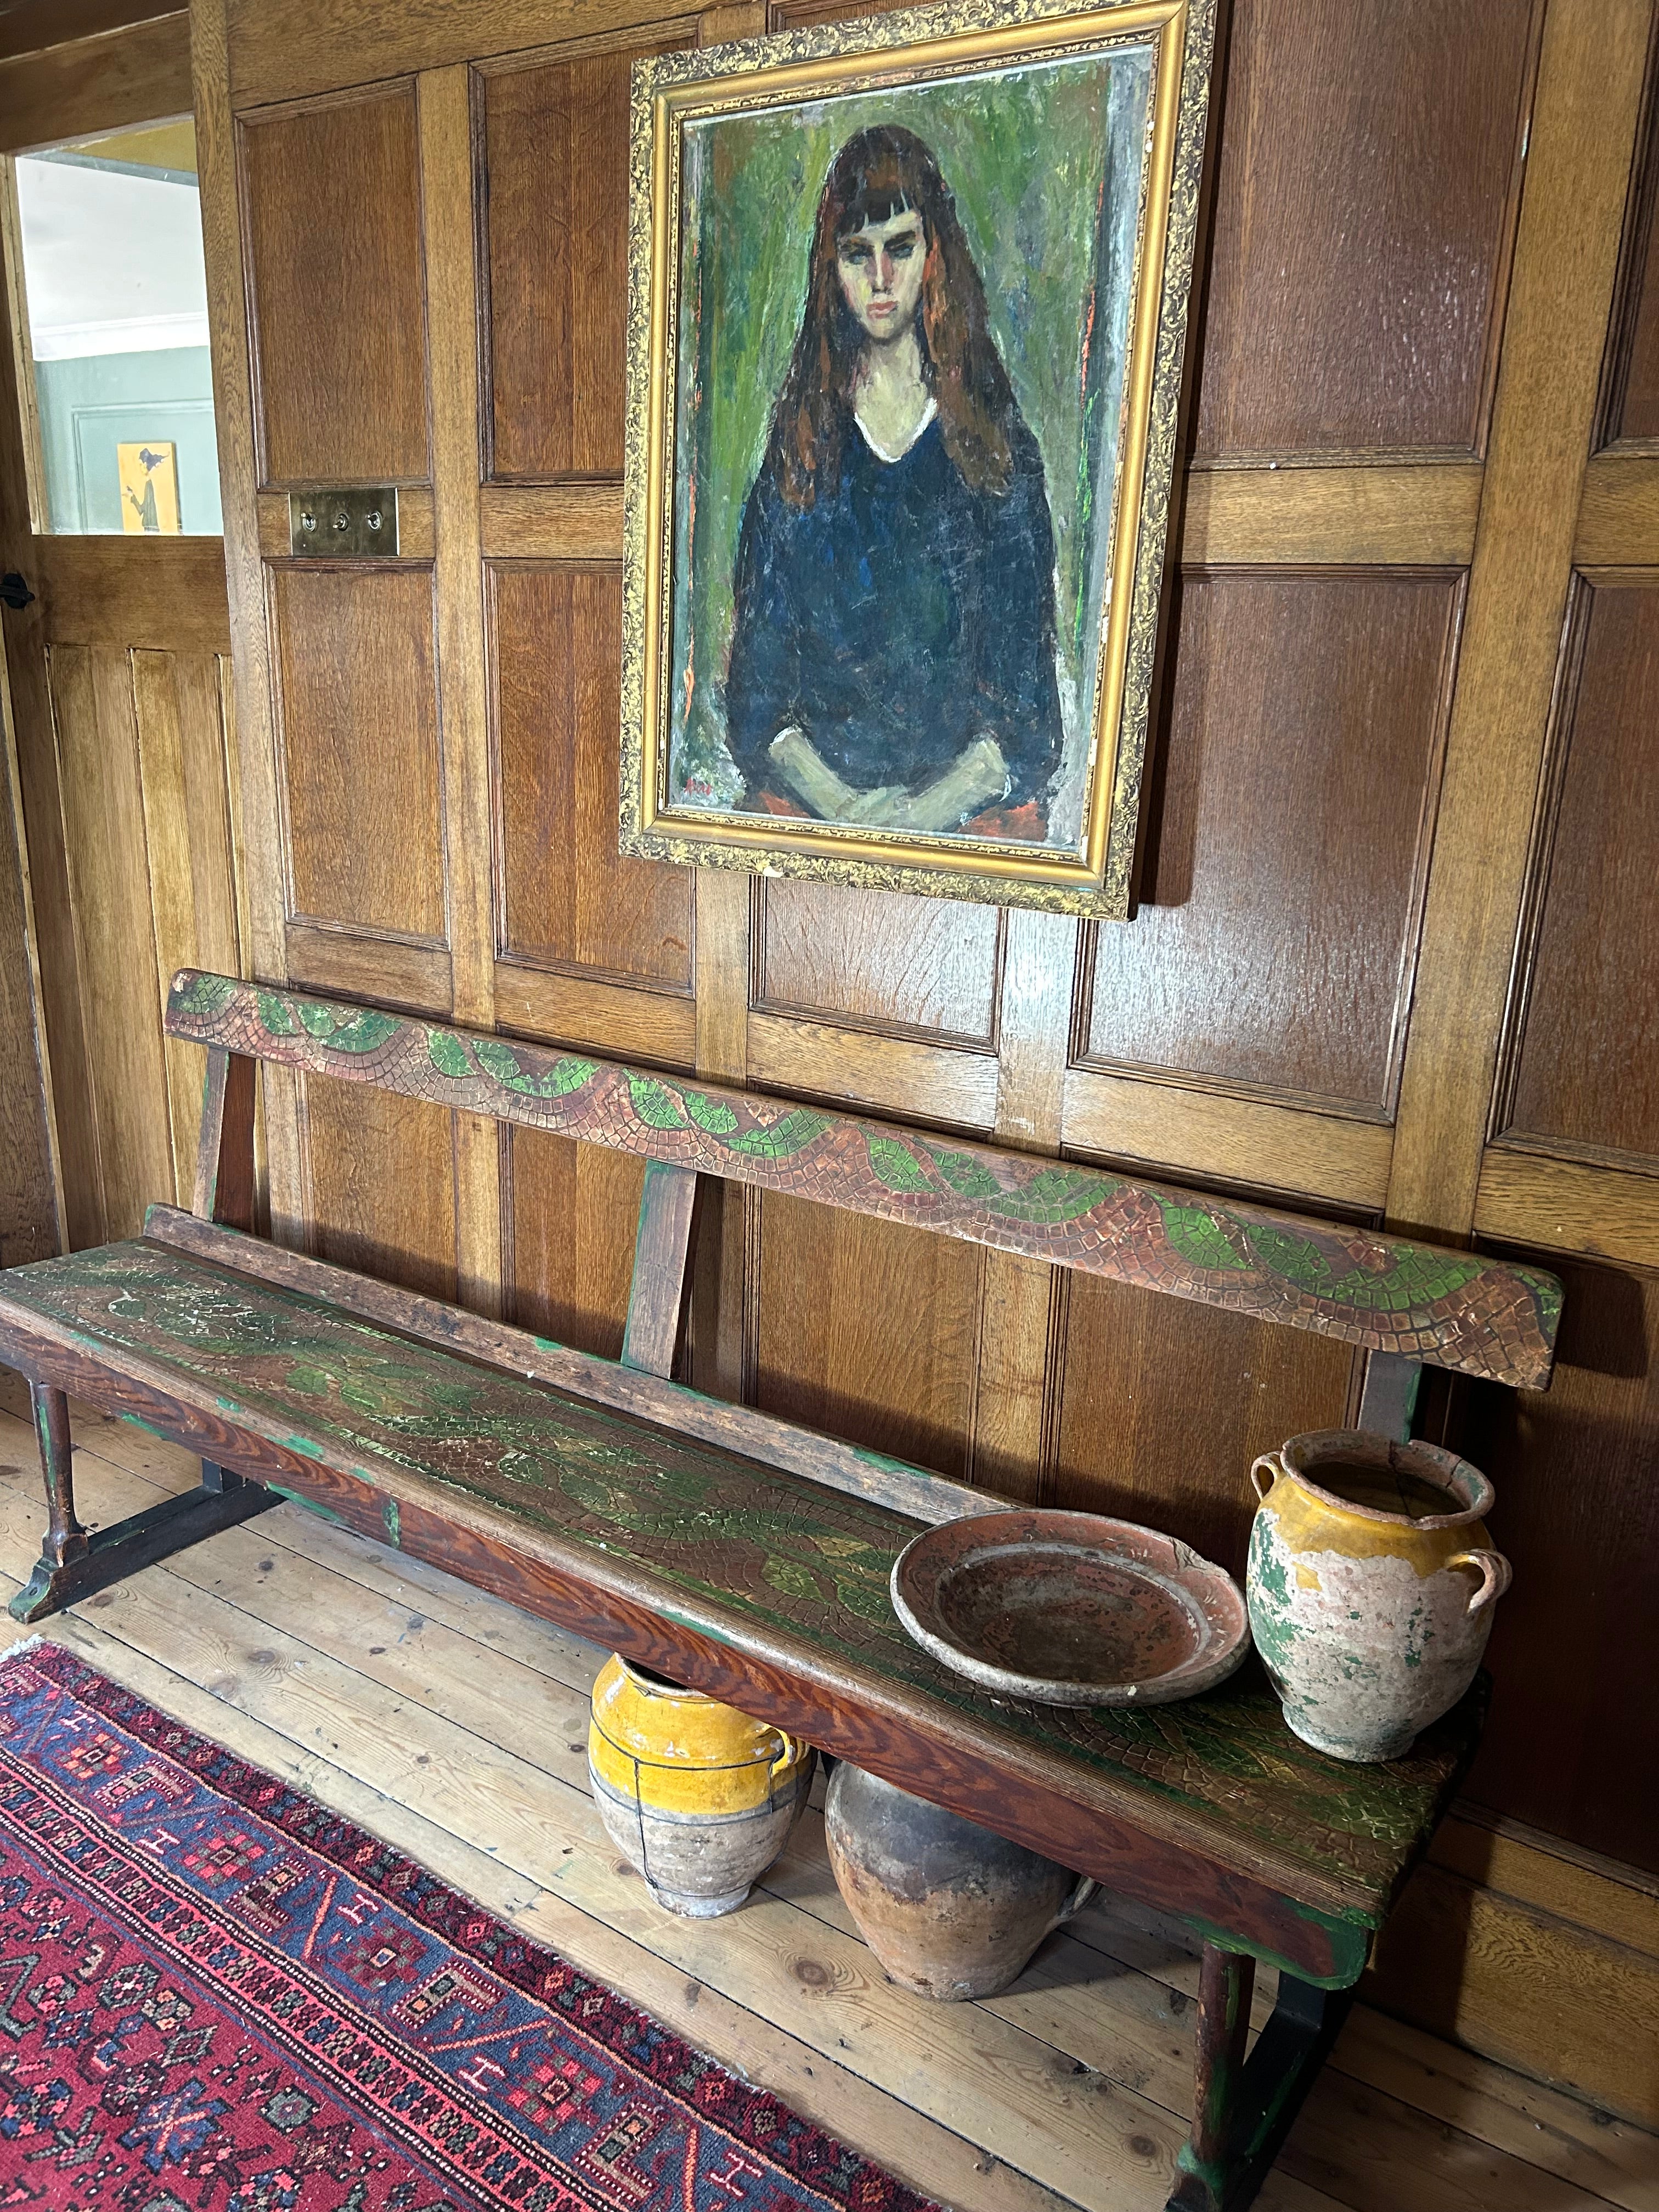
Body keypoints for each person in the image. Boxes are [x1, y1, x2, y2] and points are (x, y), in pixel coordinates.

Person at [723, 124, 1064, 841]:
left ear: (934, 253)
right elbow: (757, 704)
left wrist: (917, 819)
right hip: (819, 815)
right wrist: (850, 814)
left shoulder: (996, 454)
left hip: (963, 821)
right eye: (858, 253)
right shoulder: (799, 455)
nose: (880, 279)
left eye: (900, 247)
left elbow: (1027, 721)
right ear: (833, 268)